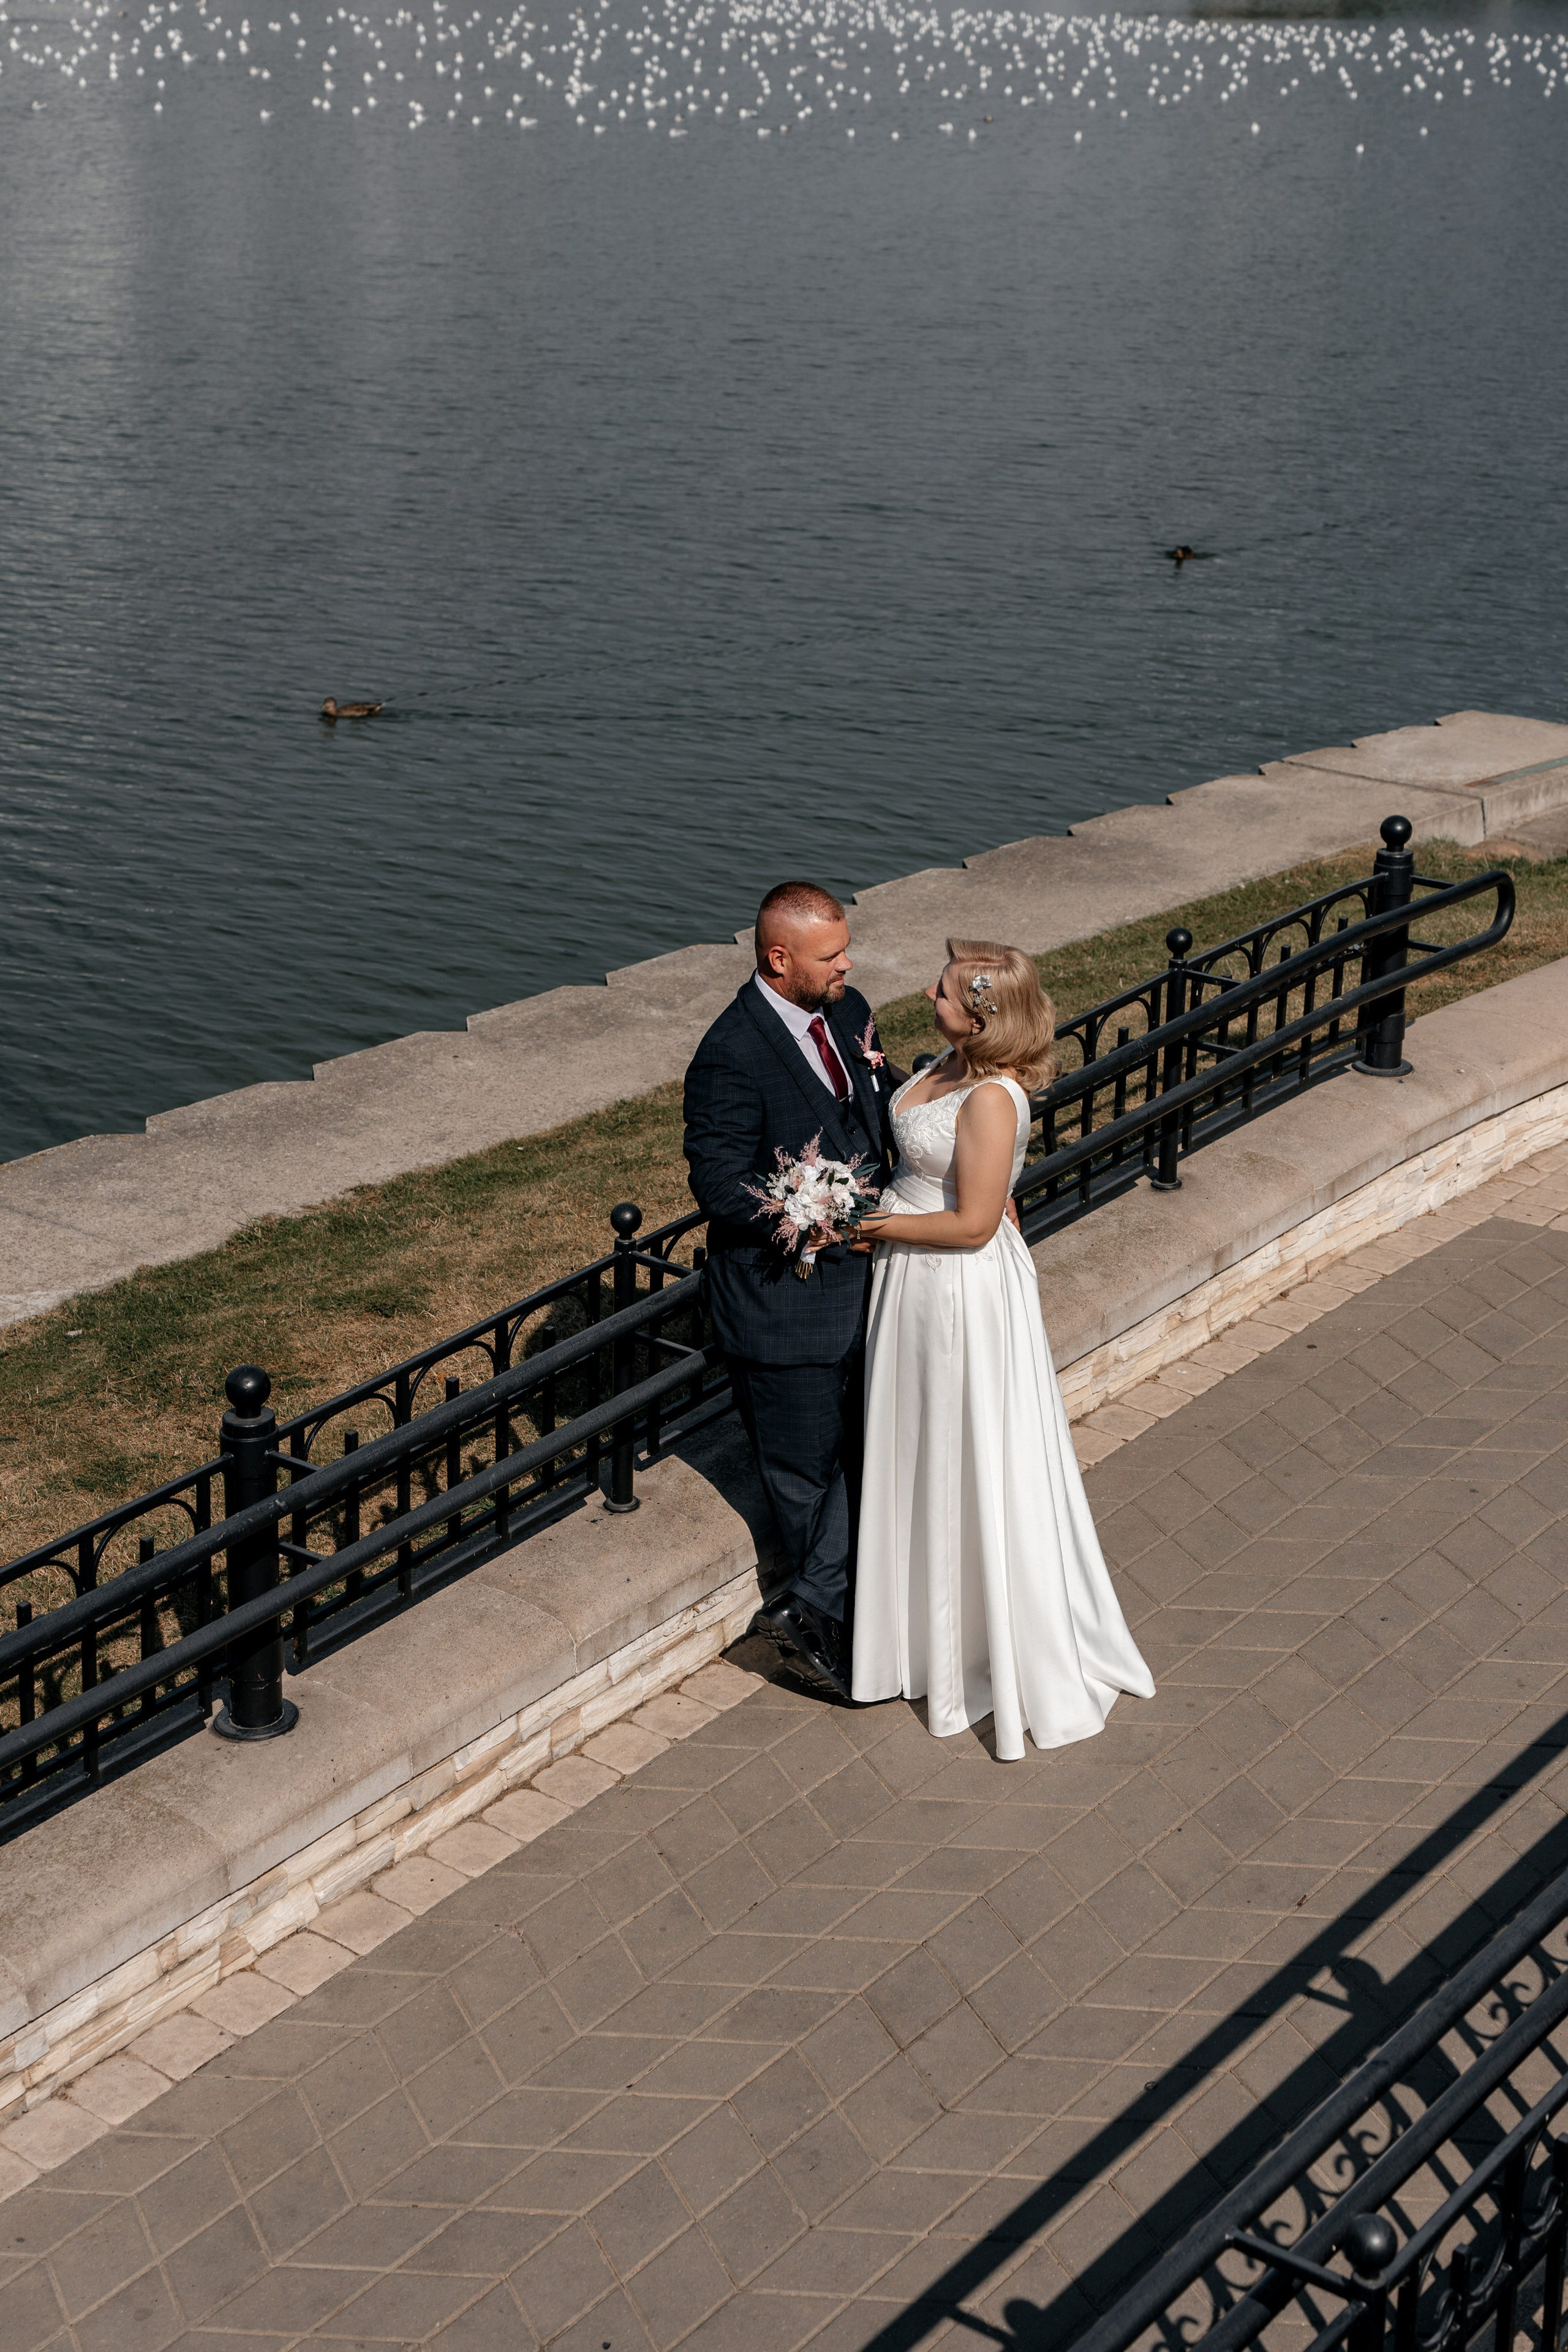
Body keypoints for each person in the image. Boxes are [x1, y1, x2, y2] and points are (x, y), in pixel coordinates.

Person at [850, 939, 1154, 1758]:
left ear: (980, 1012)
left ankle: (975, 1648)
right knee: (921, 1451)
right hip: (915, 1282)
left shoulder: (991, 1098)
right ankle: (917, 1640)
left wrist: (874, 1228)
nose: (927, 991)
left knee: (963, 1456)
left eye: (943, 989)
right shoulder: (949, 1066)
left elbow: (976, 1223)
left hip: (952, 1288)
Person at [683, 881, 897, 1698]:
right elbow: (718, 1184)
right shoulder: (731, 1053)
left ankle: (824, 1612)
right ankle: (821, 1631)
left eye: (846, 949)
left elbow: (879, 1105)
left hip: (866, 1294)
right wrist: (805, 1206)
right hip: (784, 1309)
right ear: (779, 959)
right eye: (830, 955)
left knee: (864, 1450)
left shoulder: (848, 1011)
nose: (848, 965)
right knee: (806, 1476)